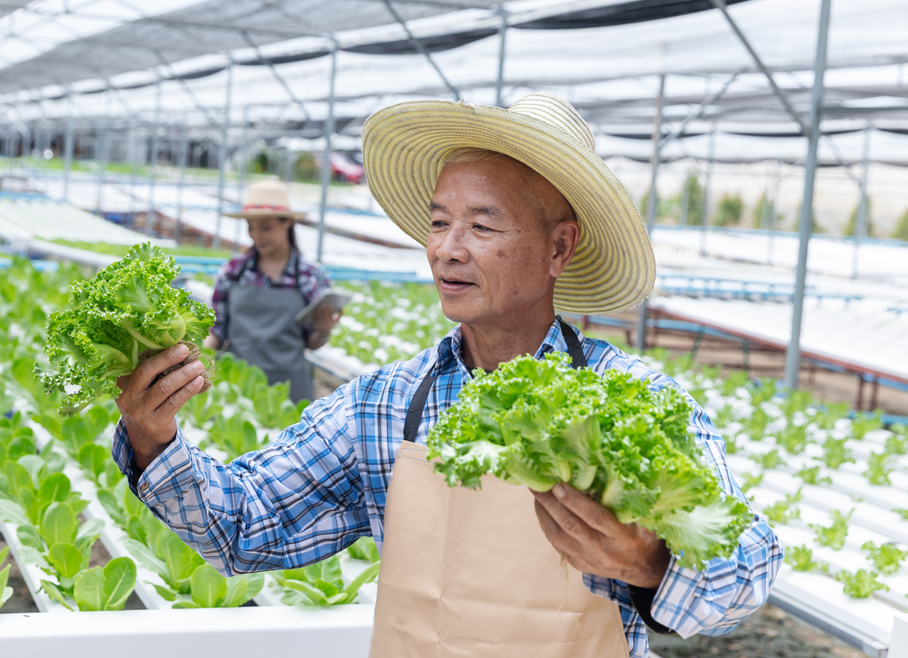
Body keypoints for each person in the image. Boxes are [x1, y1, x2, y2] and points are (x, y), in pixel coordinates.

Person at [113, 95, 780, 658]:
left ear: (559, 247)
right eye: (439, 224)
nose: (447, 250)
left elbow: (749, 563)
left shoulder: (631, 400)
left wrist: (651, 562)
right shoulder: (383, 405)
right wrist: (152, 438)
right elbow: (243, 525)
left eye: (482, 226)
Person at [202, 178, 341, 403]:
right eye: (251, 227)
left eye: (265, 227)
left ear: (288, 222)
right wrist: (199, 356)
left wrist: (324, 332)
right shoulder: (234, 271)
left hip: (289, 391)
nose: (257, 235)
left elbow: (311, 341)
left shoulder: (310, 275)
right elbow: (217, 330)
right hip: (236, 386)